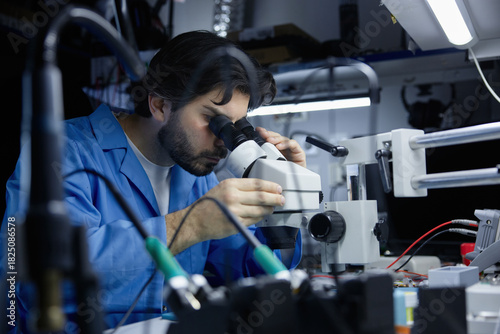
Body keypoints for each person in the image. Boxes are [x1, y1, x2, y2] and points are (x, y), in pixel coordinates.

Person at [1, 30, 307, 332]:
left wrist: (286, 204)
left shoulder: (194, 172)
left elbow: (245, 271)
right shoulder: (64, 151)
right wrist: (190, 224)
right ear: (160, 104)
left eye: (236, 126)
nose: (223, 141)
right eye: (214, 120)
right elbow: (44, 279)